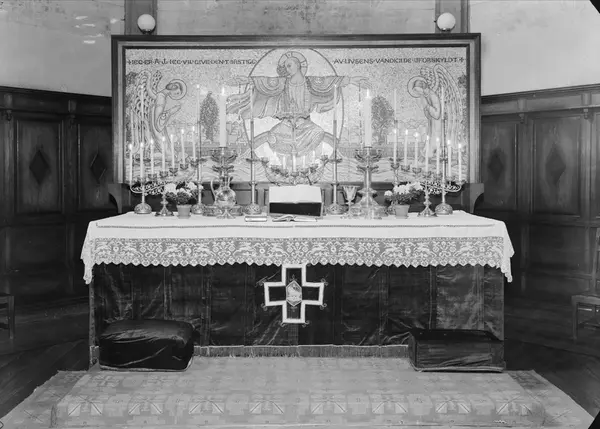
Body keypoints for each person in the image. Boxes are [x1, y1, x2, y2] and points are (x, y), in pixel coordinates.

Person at [227, 51, 370, 158]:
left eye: (289, 65)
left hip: (305, 124)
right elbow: (265, 82)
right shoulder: (283, 83)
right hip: (286, 124)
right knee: (272, 138)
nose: (287, 68)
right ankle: (288, 164)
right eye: (285, 66)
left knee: (319, 133)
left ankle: (302, 159)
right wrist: (247, 80)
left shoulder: (310, 82)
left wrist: (351, 80)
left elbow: (329, 81)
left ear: (298, 65)